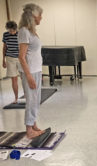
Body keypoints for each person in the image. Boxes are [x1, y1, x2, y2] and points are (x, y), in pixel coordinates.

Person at [18, 3, 45, 139]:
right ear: (33, 16)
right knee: (31, 100)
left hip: (36, 70)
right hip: (30, 72)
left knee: (36, 99)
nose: (41, 18)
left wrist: (39, 73)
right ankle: (29, 130)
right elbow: (21, 57)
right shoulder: (24, 31)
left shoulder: (32, 31)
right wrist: (29, 76)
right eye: (40, 15)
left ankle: (33, 124)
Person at [2, 21, 19, 103]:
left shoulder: (20, 34)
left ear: (15, 29)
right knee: (14, 79)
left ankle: (27, 95)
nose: (11, 32)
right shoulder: (5, 35)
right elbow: (4, 48)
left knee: (24, 77)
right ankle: (16, 98)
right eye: (9, 30)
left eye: (12, 30)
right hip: (10, 58)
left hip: (20, 58)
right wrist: (3, 60)